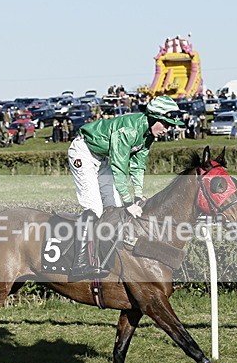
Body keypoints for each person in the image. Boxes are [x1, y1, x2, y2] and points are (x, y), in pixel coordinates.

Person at [67, 95, 183, 279]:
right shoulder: (128, 131)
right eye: (166, 124)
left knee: (114, 207)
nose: (167, 130)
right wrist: (129, 202)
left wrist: (137, 195)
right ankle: (79, 263)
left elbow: (137, 166)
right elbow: (119, 168)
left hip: (100, 157)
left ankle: (103, 256)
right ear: (154, 118)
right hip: (84, 153)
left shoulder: (147, 136)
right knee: (94, 208)